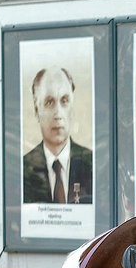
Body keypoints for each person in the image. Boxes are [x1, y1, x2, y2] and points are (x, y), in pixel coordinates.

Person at [22, 67, 93, 204]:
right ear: (37, 110)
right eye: (49, 102)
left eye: (64, 101)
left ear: (72, 108)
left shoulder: (91, 165)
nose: (58, 114)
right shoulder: (24, 169)